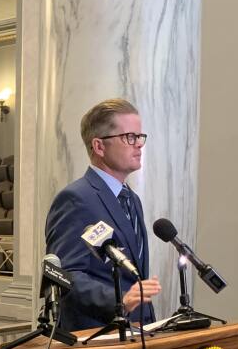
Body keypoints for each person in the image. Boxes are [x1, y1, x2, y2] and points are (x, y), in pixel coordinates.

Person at [45, 98, 162, 331]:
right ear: (99, 146)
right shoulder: (76, 199)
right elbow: (66, 275)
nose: (138, 144)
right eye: (129, 137)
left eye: (140, 137)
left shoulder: (131, 199)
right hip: (96, 334)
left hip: (136, 331)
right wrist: (119, 301)